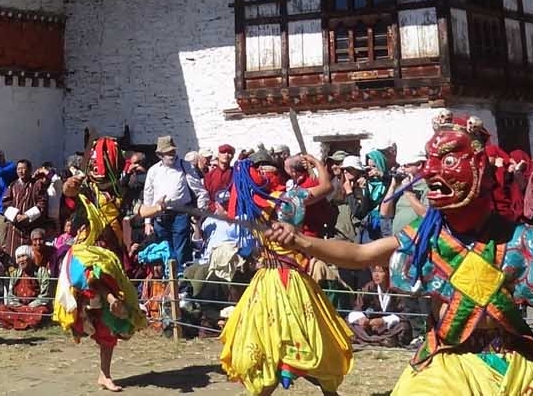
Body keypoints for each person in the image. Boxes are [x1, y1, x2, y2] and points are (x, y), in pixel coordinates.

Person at [261, 119, 533, 395]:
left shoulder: (513, 237)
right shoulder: (427, 237)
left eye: (450, 163)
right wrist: (303, 242)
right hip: (446, 362)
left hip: (506, 364)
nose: (437, 175)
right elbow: (361, 252)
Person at [219, 158, 356, 396]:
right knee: (311, 333)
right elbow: (327, 187)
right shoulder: (289, 200)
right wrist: (315, 162)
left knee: (268, 338)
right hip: (292, 277)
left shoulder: (248, 205)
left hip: (265, 278)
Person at [54, 140, 145, 393]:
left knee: (108, 324)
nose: (96, 168)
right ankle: (107, 295)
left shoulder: (120, 193)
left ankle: (104, 375)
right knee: (90, 275)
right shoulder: (85, 191)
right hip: (85, 255)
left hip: (110, 258)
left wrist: (159, 206)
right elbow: (69, 192)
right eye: (93, 164)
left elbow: (140, 212)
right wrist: (70, 185)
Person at [136, 137, 207, 268]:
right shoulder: (153, 171)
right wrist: (147, 222)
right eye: (168, 153)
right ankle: (167, 280)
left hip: (181, 214)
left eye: (173, 152)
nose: (171, 155)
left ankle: (180, 281)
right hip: (159, 216)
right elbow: (148, 197)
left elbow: (200, 191)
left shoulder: (185, 166)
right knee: (164, 249)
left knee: (180, 251)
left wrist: (200, 210)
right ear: (159, 155)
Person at [348, 264, 412, 348]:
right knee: (351, 321)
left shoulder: (398, 289)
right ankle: (382, 340)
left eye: (380, 272)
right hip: (373, 323)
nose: (376, 275)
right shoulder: (370, 287)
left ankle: (367, 339)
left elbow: (405, 313)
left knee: (403, 327)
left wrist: (383, 320)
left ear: (388, 273)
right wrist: (362, 318)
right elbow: (358, 307)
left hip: (390, 325)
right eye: (374, 271)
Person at [0, 244, 54, 330]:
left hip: (35, 307)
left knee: (42, 312)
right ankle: (28, 323)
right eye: (19, 257)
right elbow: (11, 296)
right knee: (0, 310)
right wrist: (21, 307)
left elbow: (45, 295)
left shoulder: (41, 271)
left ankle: (17, 322)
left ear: (30, 257)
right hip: (19, 308)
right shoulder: (15, 274)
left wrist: (31, 306)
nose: (21, 260)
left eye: (24, 256)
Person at [0, 160, 50, 253]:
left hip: (31, 226)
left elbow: (42, 203)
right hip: (15, 227)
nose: (21, 171)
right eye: (19, 169)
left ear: (30, 170)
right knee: (13, 253)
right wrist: (16, 216)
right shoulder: (13, 185)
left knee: (31, 254)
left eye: (24, 169)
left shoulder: (37, 184)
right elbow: (5, 204)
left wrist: (27, 216)